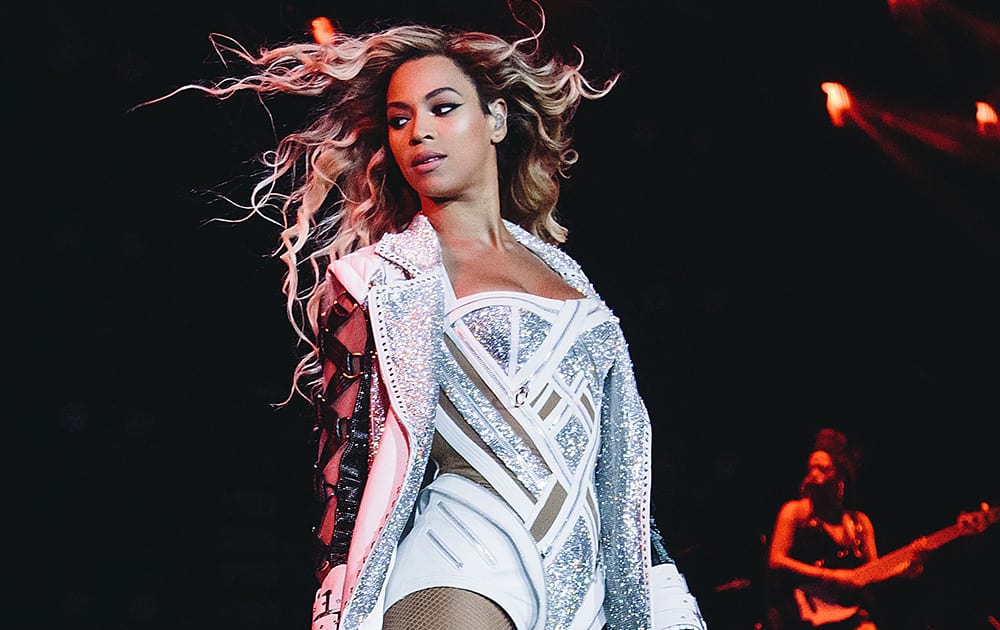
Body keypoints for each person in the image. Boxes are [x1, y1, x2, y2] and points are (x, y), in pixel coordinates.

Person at [143, 5, 707, 630]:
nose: (418, 132)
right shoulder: (378, 279)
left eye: (443, 108)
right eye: (399, 119)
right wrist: (335, 597)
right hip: (462, 563)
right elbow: (345, 464)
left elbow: (618, 462)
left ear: (495, 119)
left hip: (587, 584)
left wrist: (661, 582)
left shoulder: (571, 278)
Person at [764, 428, 993, 630]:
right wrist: (831, 575)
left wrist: (910, 566)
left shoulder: (859, 523)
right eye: (811, 467)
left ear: (840, 476)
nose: (814, 475)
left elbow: (873, 573)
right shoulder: (794, 512)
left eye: (823, 469)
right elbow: (776, 559)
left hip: (847, 613)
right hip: (799, 611)